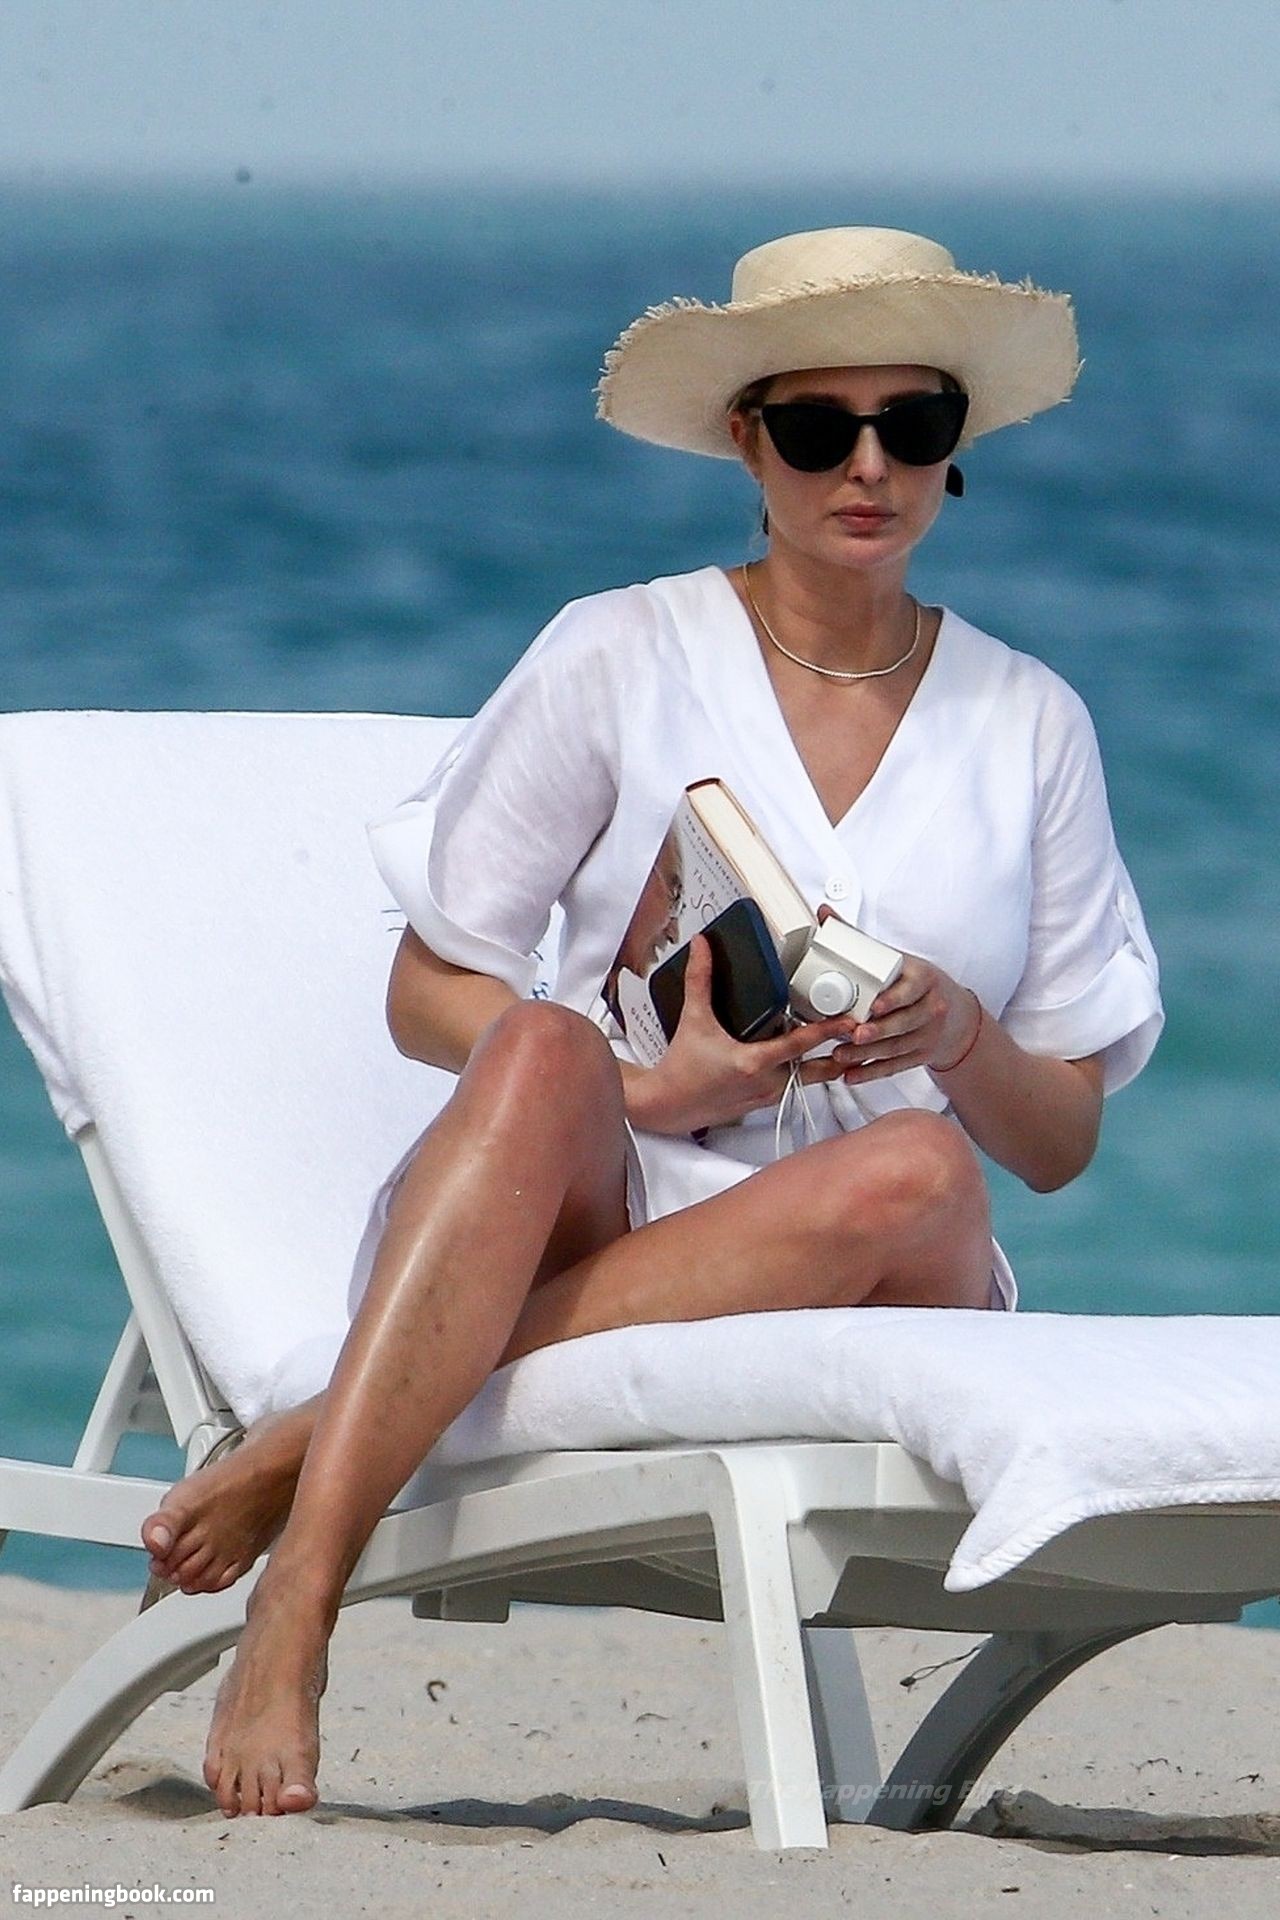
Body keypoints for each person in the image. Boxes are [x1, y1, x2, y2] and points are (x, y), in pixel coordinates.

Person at [139, 225, 1164, 1817]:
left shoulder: (1031, 720)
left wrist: (962, 1035)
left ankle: (314, 1435)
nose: (869, 466)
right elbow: (426, 991)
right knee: (542, 1042)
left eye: (914, 424)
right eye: (819, 429)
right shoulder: (618, 653)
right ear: (748, 441)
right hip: (605, 1197)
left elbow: (1063, 1142)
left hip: (873, 1242)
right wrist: (652, 1091)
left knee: (925, 1168)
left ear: (954, 450)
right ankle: (303, 1600)